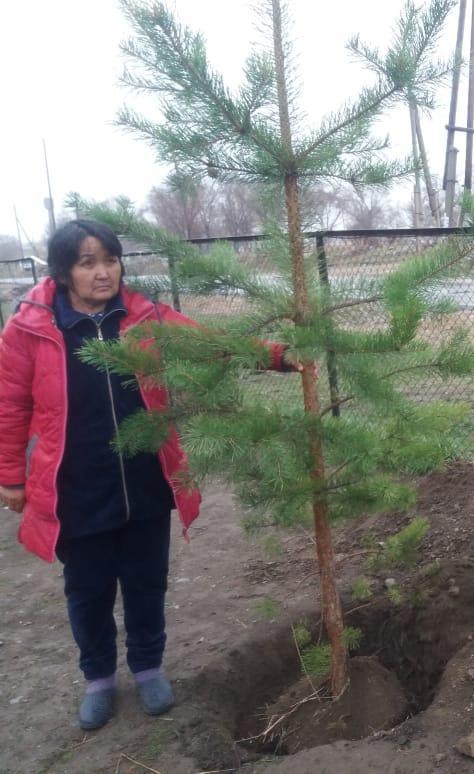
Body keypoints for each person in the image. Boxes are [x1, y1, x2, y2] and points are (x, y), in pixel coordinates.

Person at [0, 219, 295, 731]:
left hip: (146, 479)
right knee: (87, 590)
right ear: (64, 271)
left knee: (146, 581)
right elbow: (9, 406)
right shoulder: (31, 328)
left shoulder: (143, 317)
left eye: (110, 260)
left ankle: (148, 667)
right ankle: (98, 678)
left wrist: (274, 356)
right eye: (87, 262)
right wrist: (10, 477)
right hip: (76, 487)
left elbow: (204, 341)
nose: (102, 272)